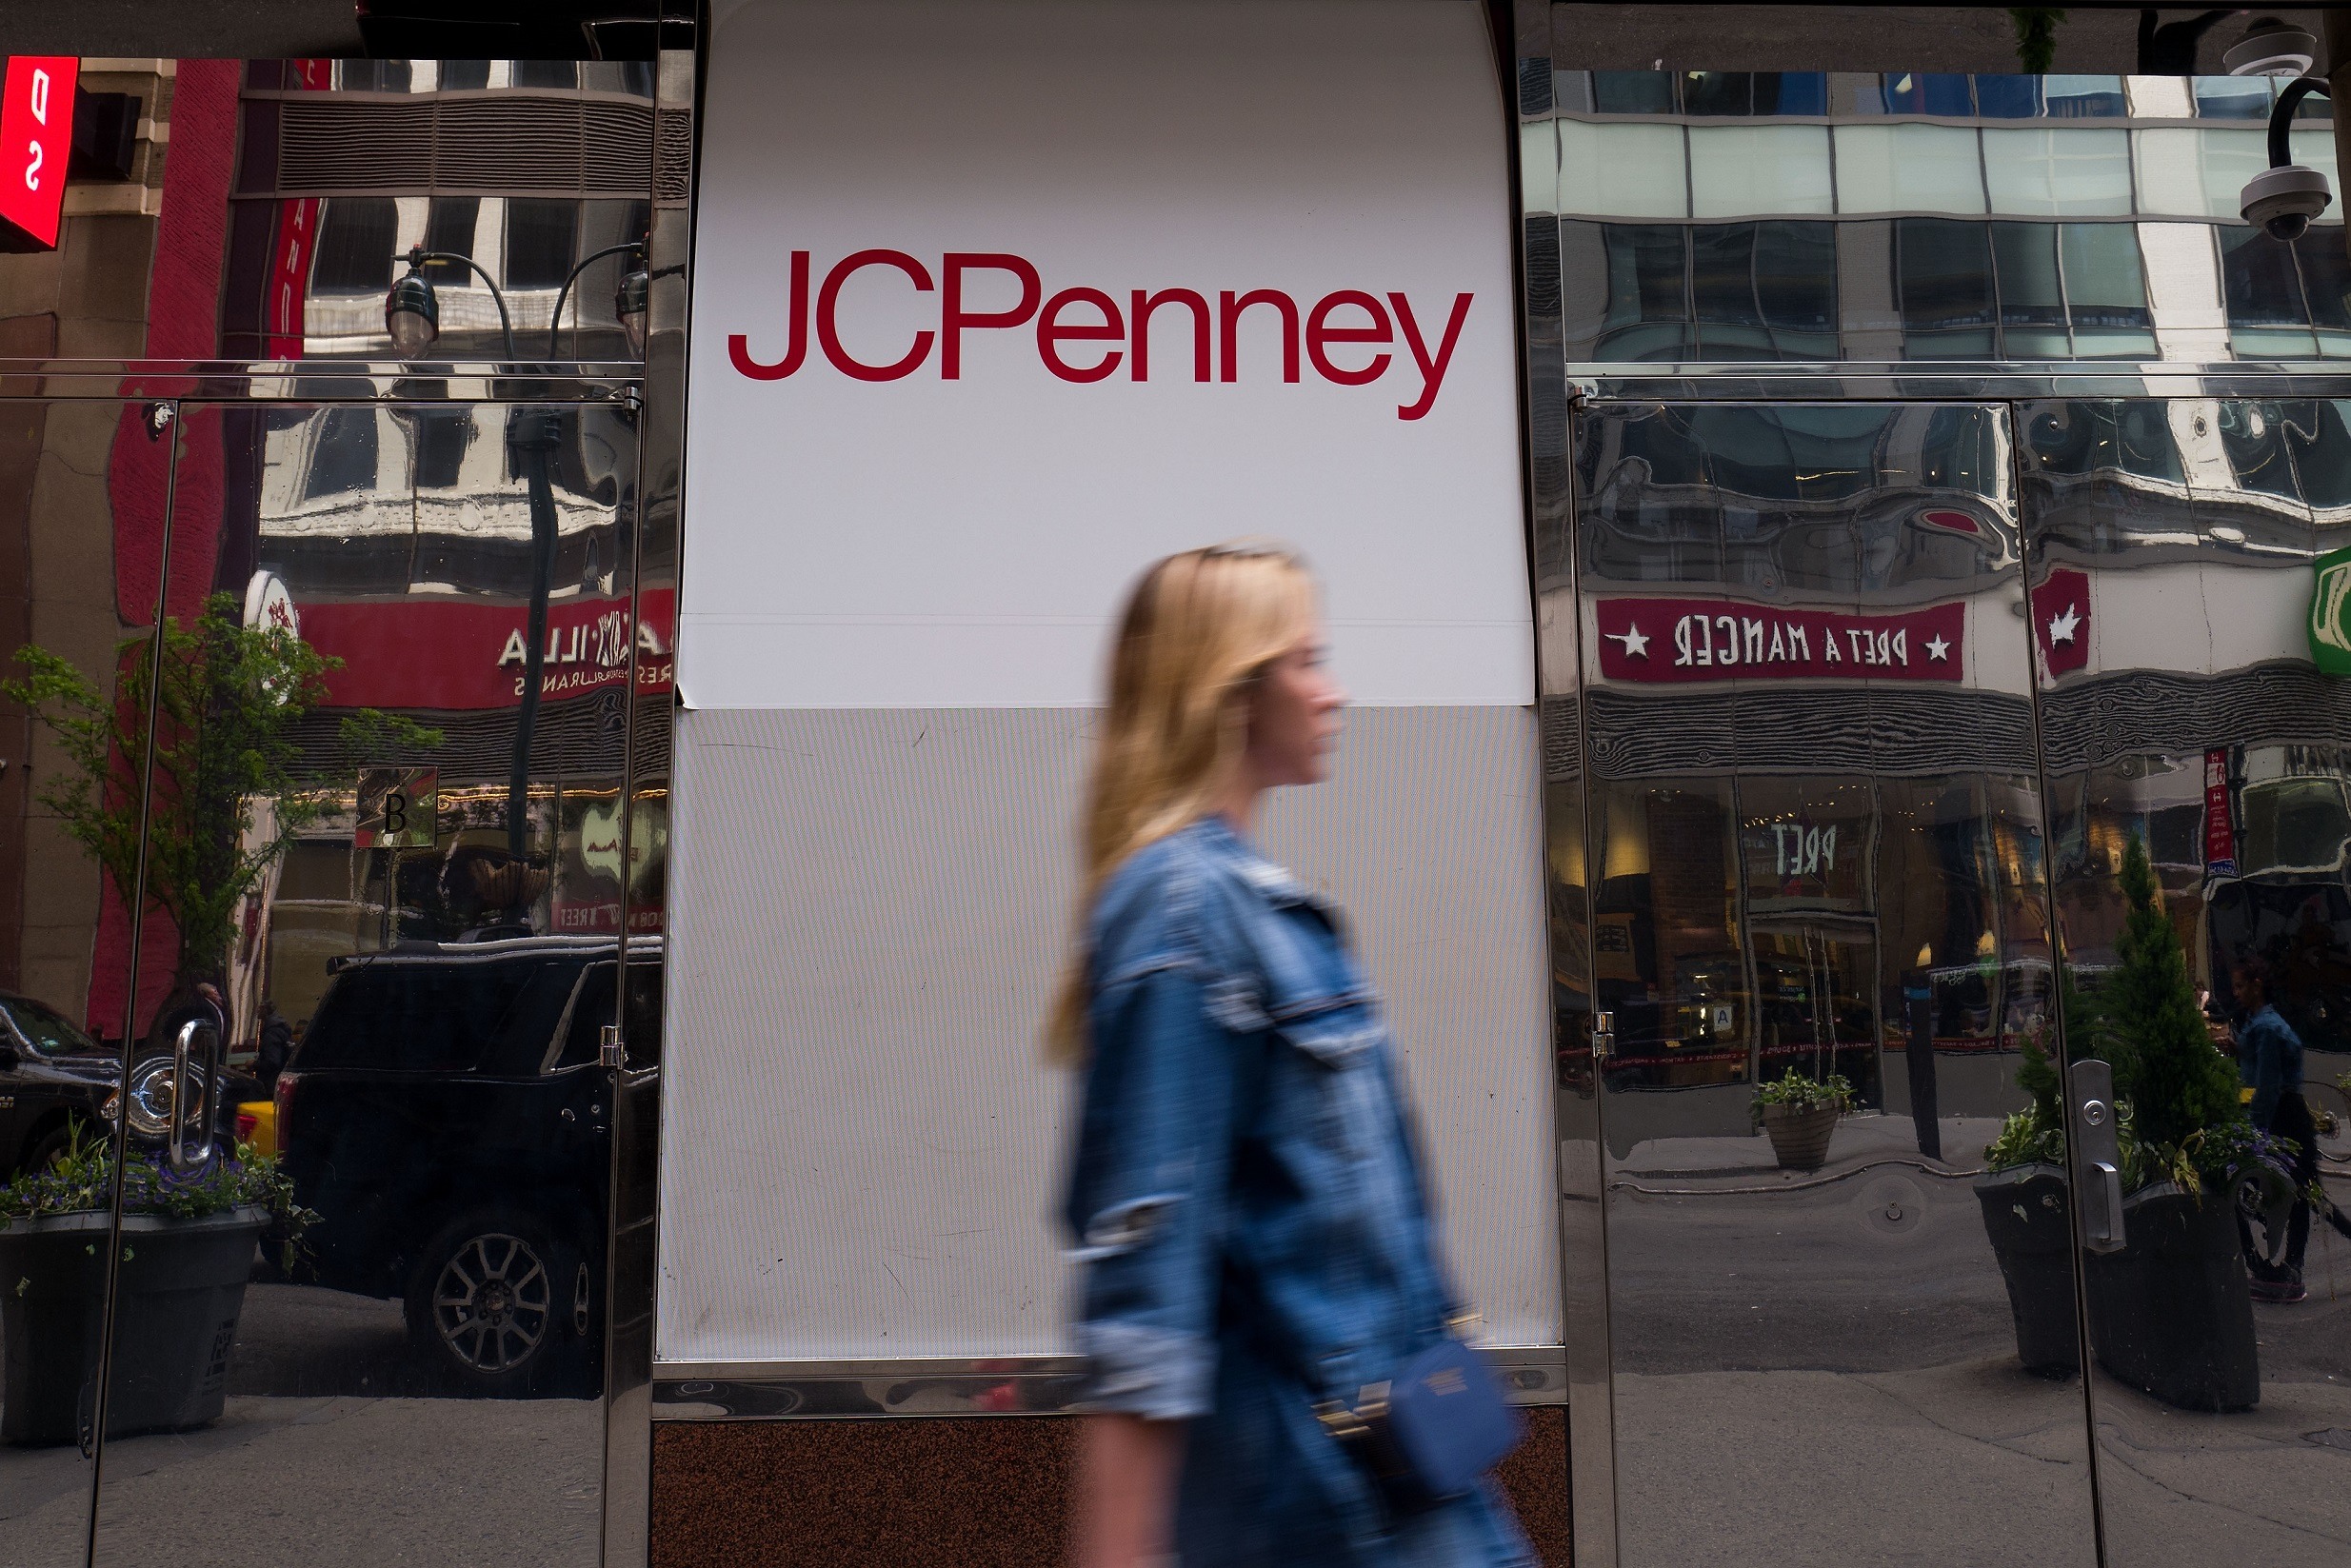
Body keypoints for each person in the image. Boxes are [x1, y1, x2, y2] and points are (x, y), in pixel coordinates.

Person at [1050, 544, 1532, 1568]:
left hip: (1407, 1475)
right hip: (1321, 1510)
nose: (1333, 691)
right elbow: (1144, 1293)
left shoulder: (1255, 907)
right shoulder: (1183, 913)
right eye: (1306, 661)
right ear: (1229, 692)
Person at [2232, 958, 2315, 1303]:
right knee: (2295, 1192)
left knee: (2291, 1192)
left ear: (2257, 985)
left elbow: (2266, 1086)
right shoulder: (2258, 1022)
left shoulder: (2266, 1027)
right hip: (2284, 1113)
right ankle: (2281, 1267)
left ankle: (2286, 1270)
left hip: (2283, 1116)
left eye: (2240, 986)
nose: (2236, 993)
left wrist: (2255, 1131)